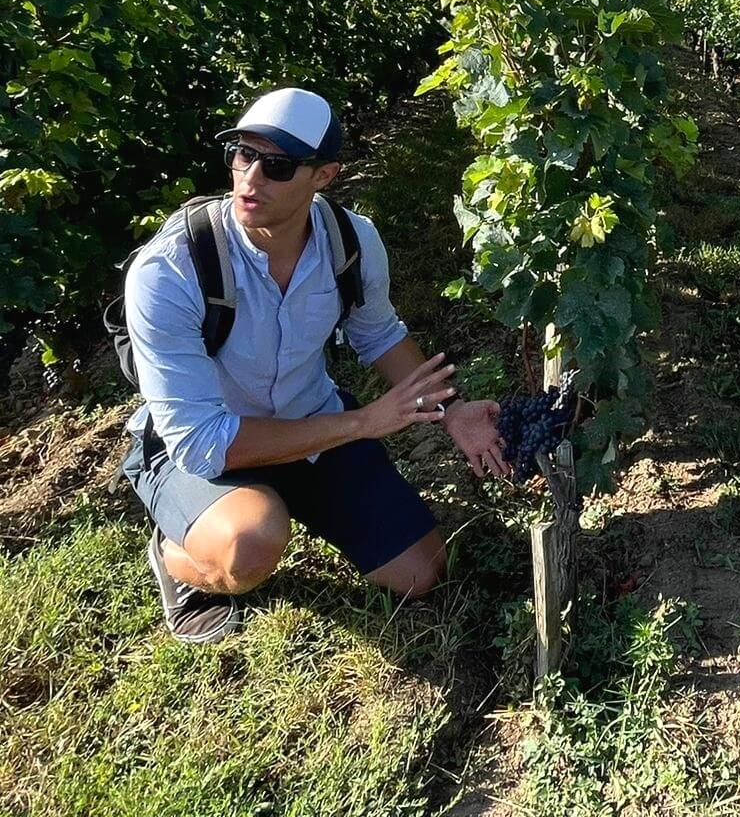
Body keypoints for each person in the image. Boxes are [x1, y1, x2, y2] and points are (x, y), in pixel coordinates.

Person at [119, 86, 508, 644]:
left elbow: (378, 334)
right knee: (249, 545)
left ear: (323, 176)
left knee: (424, 574)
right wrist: (361, 424)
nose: (250, 177)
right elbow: (201, 443)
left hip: (309, 422)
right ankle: (176, 553)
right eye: (242, 154)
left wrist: (453, 412)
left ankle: (292, 496)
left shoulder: (351, 241)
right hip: (206, 451)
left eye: (276, 165)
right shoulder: (171, 272)